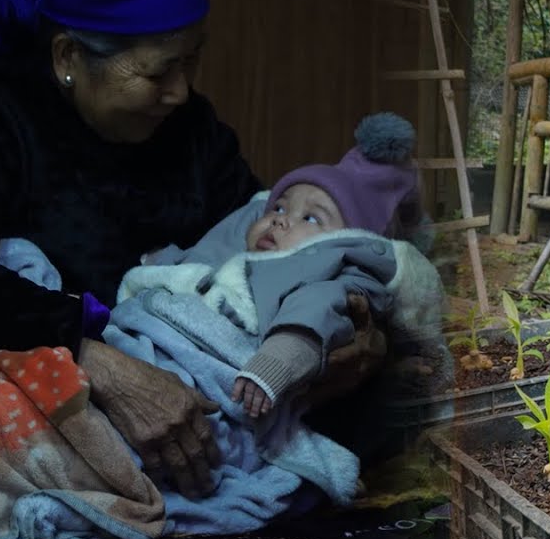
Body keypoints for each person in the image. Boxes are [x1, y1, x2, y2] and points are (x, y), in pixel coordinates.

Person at [0, 0, 265, 499]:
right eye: (157, 72)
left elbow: (255, 224)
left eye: (192, 60)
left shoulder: (192, 128)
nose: (180, 91)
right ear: (69, 57)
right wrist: (94, 359)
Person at [114, 112, 436, 421]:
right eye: (279, 207)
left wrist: (271, 367)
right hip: (143, 350)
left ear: (344, 239)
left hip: (221, 380)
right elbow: (192, 267)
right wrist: (157, 263)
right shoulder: (239, 256)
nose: (281, 219)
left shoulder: (323, 275)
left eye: (310, 218)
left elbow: (309, 321)